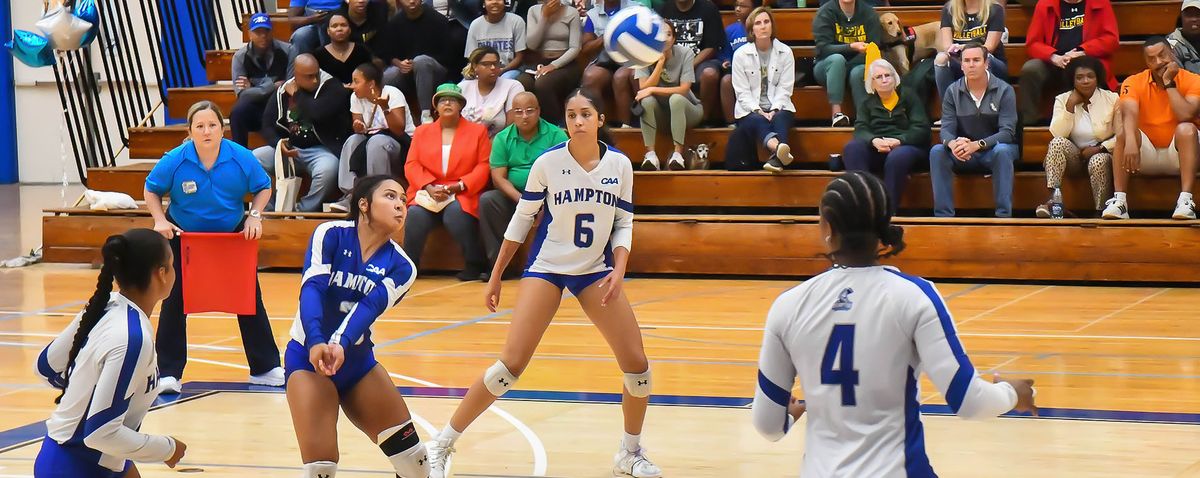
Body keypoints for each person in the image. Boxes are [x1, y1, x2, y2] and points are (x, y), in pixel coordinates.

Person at [424, 89, 660, 478]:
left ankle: (630, 452)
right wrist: (497, 273)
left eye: (586, 113)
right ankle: (443, 443)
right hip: (547, 267)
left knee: (638, 368)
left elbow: (623, 222)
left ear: (600, 119)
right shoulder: (548, 163)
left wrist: (619, 268)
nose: (578, 120)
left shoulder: (620, 165)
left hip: (594, 270)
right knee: (509, 366)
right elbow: (521, 219)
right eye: (571, 114)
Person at [752, 171, 1038, 477]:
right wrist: (1013, 392)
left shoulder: (788, 305)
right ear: (884, 226)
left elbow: (767, 425)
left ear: (827, 228)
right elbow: (970, 401)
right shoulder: (915, 296)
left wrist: (791, 416)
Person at [286, 175, 431, 478]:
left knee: (415, 463)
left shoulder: (403, 267)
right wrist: (316, 341)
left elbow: (369, 307)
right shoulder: (331, 233)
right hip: (308, 358)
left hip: (357, 364)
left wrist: (339, 342)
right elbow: (311, 289)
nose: (401, 205)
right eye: (390, 197)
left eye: (404, 200)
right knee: (320, 469)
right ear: (363, 204)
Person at [144, 101, 284, 394]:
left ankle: (265, 367)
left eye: (212, 125)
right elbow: (152, 189)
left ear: (222, 129)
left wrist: (254, 217)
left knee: (247, 297)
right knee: (175, 299)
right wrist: (159, 221)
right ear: (190, 131)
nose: (206, 131)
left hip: (231, 235)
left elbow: (263, 186)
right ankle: (168, 372)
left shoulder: (241, 157)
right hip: (184, 235)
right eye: (200, 126)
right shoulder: (176, 159)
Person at [33, 229, 189, 477]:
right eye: (172, 265)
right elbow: (100, 432)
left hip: (83, 458)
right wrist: (167, 449)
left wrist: (87, 388)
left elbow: (46, 368)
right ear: (161, 274)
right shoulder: (132, 338)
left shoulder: (105, 306)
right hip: (76, 466)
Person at [1103, 37, 1200, 220]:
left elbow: (1186, 114)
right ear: (1145, 62)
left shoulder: (1194, 80)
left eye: (1162, 55)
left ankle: (1186, 201)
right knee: (1124, 134)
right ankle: (1120, 201)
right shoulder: (1133, 82)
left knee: (1187, 129)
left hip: (1179, 154)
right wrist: (1130, 141)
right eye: (1151, 59)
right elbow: (1129, 113)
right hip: (1144, 155)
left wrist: (1169, 83)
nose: (1158, 62)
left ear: (1172, 52)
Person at [403, 83, 492, 280]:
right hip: (428, 190)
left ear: (461, 105)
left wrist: (459, 185)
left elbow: (483, 165)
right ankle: (408, 267)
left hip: (461, 190)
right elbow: (412, 164)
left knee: (455, 215)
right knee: (416, 214)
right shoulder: (421, 132)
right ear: (436, 107)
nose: (448, 103)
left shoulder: (478, 132)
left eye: (453, 100)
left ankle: (474, 263)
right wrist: (428, 186)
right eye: (443, 100)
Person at [479, 91, 568, 278]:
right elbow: (498, 178)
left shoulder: (556, 135)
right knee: (488, 200)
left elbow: (564, 175)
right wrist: (524, 200)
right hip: (515, 195)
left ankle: (550, 266)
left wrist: (539, 201)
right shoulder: (502, 138)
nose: (524, 116)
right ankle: (499, 267)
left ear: (538, 111)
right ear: (511, 114)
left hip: (548, 195)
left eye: (529, 111)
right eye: (518, 111)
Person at [929, 43, 1019, 218]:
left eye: (976, 60)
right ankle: (943, 216)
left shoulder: (1004, 90)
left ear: (986, 64)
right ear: (961, 65)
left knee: (1002, 151)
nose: (971, 64)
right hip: (965, 153)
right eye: (967, 61)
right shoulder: (952, 91)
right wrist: (954, 144)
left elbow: (1008, 133)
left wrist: (978, 145)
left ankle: (1003, 215)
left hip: (994, 150)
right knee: (937, 151)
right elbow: (946, 129)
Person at [254, 54, 352, 213]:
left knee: (328, 169)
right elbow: (267, 124)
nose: (314, 80)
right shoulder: (283, 91)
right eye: (308, 76)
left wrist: (297, 95)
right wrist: (279, 144)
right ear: (296, 75)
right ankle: (270, 209)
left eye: (316, 74)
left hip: (321, 150)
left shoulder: (332, 87)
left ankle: (302, 212)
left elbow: (317, 113)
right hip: (290, 148)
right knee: (254, 158)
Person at [843, 59, 929, 210]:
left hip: (907, 147)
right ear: (872, 83)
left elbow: (921, 128)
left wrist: (899, 140)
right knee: (852, 148)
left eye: (887, 75)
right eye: (879, 77)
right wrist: (873, 140)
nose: (884, 80)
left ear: (895, 78)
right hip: (878, 147)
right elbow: (860, 129)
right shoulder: (866, 103)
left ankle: (887, 211)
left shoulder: (909, 97)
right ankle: (864, 206)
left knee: (898, 156)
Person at [1038, 56, 1115, 217]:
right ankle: (1054, 199)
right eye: (1079, 77)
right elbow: (1058, 134)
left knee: (1098, 160)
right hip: (1074, 157)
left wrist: (1101, 148)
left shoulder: (1112, 99)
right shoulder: (1063, 99)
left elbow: (1122, 134)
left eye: (1090, 76)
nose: (1085, 81)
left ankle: (1100, 210)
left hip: (1103, 155)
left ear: (1097, 78)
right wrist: (1070, 106)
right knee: (1057, 142)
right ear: (1072, 80)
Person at [1019, 0, 1118, 125]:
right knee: (1030, 69)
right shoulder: (1045, 4)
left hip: (1086, 60)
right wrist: (1054, 57)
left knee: (1090, 72)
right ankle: (1029, 124)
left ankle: (1096, 126)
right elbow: (1032, 44)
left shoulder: (1101, 3)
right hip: (1055, 62)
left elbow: (1111, 39)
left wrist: (1082, 52)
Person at [334, 63, 414, 211]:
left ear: (371, 83)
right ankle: (351, 194)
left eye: (356, 81)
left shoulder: (392, 93)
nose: (352, 86)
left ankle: (377, 194)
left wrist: (385, 107)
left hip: (400, 144)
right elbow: (360, 127)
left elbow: (399, 130)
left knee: (377, 142)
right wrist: (358, 126)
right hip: (372, 139)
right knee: (353, 140)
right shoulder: (355, 98)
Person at [729, 7, 795, 173]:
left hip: (780, 106)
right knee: (757, 120)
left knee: (780, 118)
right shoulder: (740, 55)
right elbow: (741, 92)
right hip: (749, 109)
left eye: (766, 22)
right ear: (752, 30)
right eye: (758, 23)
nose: (763, 26)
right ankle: (778, 148)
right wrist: (758, 110)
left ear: (772, 26)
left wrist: (774, 109)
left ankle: (777, 158)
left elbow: (785, 88)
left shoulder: (785, 52)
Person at [634, 22, 704, 171]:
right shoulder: (643, 54)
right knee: (646, 100)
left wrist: (653, 89)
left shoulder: (686, 53)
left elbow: (684, 88)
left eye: (668, 34)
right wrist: (660, 62)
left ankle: (678, 156)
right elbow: (643, 88)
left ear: (673, 39)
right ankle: (651, 156)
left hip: (688, 110)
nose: (664, 38)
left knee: (676, 98)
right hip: (661, 116)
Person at [378, 0, 456, 125]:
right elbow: (388, 54)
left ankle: (425, 115)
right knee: (386, 77)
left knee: (421, 61)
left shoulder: (438, 20)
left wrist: (416, 63)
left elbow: (448, 56)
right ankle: (381, 118)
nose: (411, 1)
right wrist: (399, 63)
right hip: (407, 71)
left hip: (436, 70)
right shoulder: (395, 23)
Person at [230, 13, 296, 147]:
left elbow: (290, 86)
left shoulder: (288, 50)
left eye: (266, 31)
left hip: (280, 107)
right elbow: (242, 94)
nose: (263, 36)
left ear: (272, 32)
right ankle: (240, 155)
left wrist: (253, 88)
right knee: (237, 113)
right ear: (249, 34)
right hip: (256, 108)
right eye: (258, 32)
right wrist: (273, 86)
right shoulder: (240, 57)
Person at [657, 0, 728, 125]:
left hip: (700, 62)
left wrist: (688, 65)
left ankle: (703, 119)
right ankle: (661, 120)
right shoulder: (664, 9)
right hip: (669, 61)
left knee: (709, 74)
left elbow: (711, 47)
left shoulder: (708, 8)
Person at [813, 0, 881, 126]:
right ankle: (837, 114)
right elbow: (823, 49)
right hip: (826, 67)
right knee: (837, 60)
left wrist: (850, 64)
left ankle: (863, 119)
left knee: (858, 72)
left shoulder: (869, 13)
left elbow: (874, 47)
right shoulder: (825, 13)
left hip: (857, 65)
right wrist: (851, 47)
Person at [519, 0, 583, 125]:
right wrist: (544, 17)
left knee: (544, 83)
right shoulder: (533, 11)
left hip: (565, 63)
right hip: (540, 62)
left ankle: (552, 126)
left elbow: (575, 48)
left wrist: (554, 65)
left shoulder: (572, 12)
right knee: (522, 82)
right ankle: (528, 124)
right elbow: (532, 44)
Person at [580, 0, 636, 126]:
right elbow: (586, 48)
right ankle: (596, 125)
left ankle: (625, 127)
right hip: (606, 61)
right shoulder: (593, 14)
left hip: (630, 59)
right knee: (591, 76)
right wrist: (607, 36)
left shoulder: (635, 9)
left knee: (620, 77)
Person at [934, 0, 1007, 96]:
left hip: (991, 61)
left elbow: (989, 47)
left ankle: (986, 107)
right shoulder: (949, 9)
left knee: (982, 59)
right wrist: (958, 54)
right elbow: (947, 46)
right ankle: (949, 108)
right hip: (959, 60)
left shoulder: (995, 9)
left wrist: (964, 48)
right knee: (941, 58)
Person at [460, 46, 526, 136]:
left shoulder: (513, 86)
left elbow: (512, 128)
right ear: (475, 66)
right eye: (486, 64)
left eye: (496, 63)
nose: (492, 67)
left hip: (497, 144)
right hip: (465, 141)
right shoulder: (463, 87)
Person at [465, 0, 528, 80]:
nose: (495, 2)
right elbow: (471, 58)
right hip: (482, 70)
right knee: (463, 85)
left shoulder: (517, 21)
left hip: (508, 70)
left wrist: (501, 70)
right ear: (483, 4)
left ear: (505, 2)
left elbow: (520, 58)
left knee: (503, 82)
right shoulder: (475, 25)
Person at [718, 0, 758, 125]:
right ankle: (731, 123)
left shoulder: (760, 28)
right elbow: (724, 53)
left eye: (743, 6)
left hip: (757, 70)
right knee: (726, 81)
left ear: (753, 9)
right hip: (736, 72)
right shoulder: (730, 30)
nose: (738, 9)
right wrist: (726, 61)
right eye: (736, 6)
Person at [313, 13, 376, 85]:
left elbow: (370, 76)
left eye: (343, 25)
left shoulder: (362, 51)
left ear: (349, 30)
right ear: (328, 31)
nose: (339, 29)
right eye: (334, 26)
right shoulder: (318, 55)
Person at [1168, 0, 1200, 75]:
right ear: (1181, 18)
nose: (1194, 19)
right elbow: (1178, 79)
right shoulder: (1172, 44)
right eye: (1189, 15)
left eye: (1198, 14)